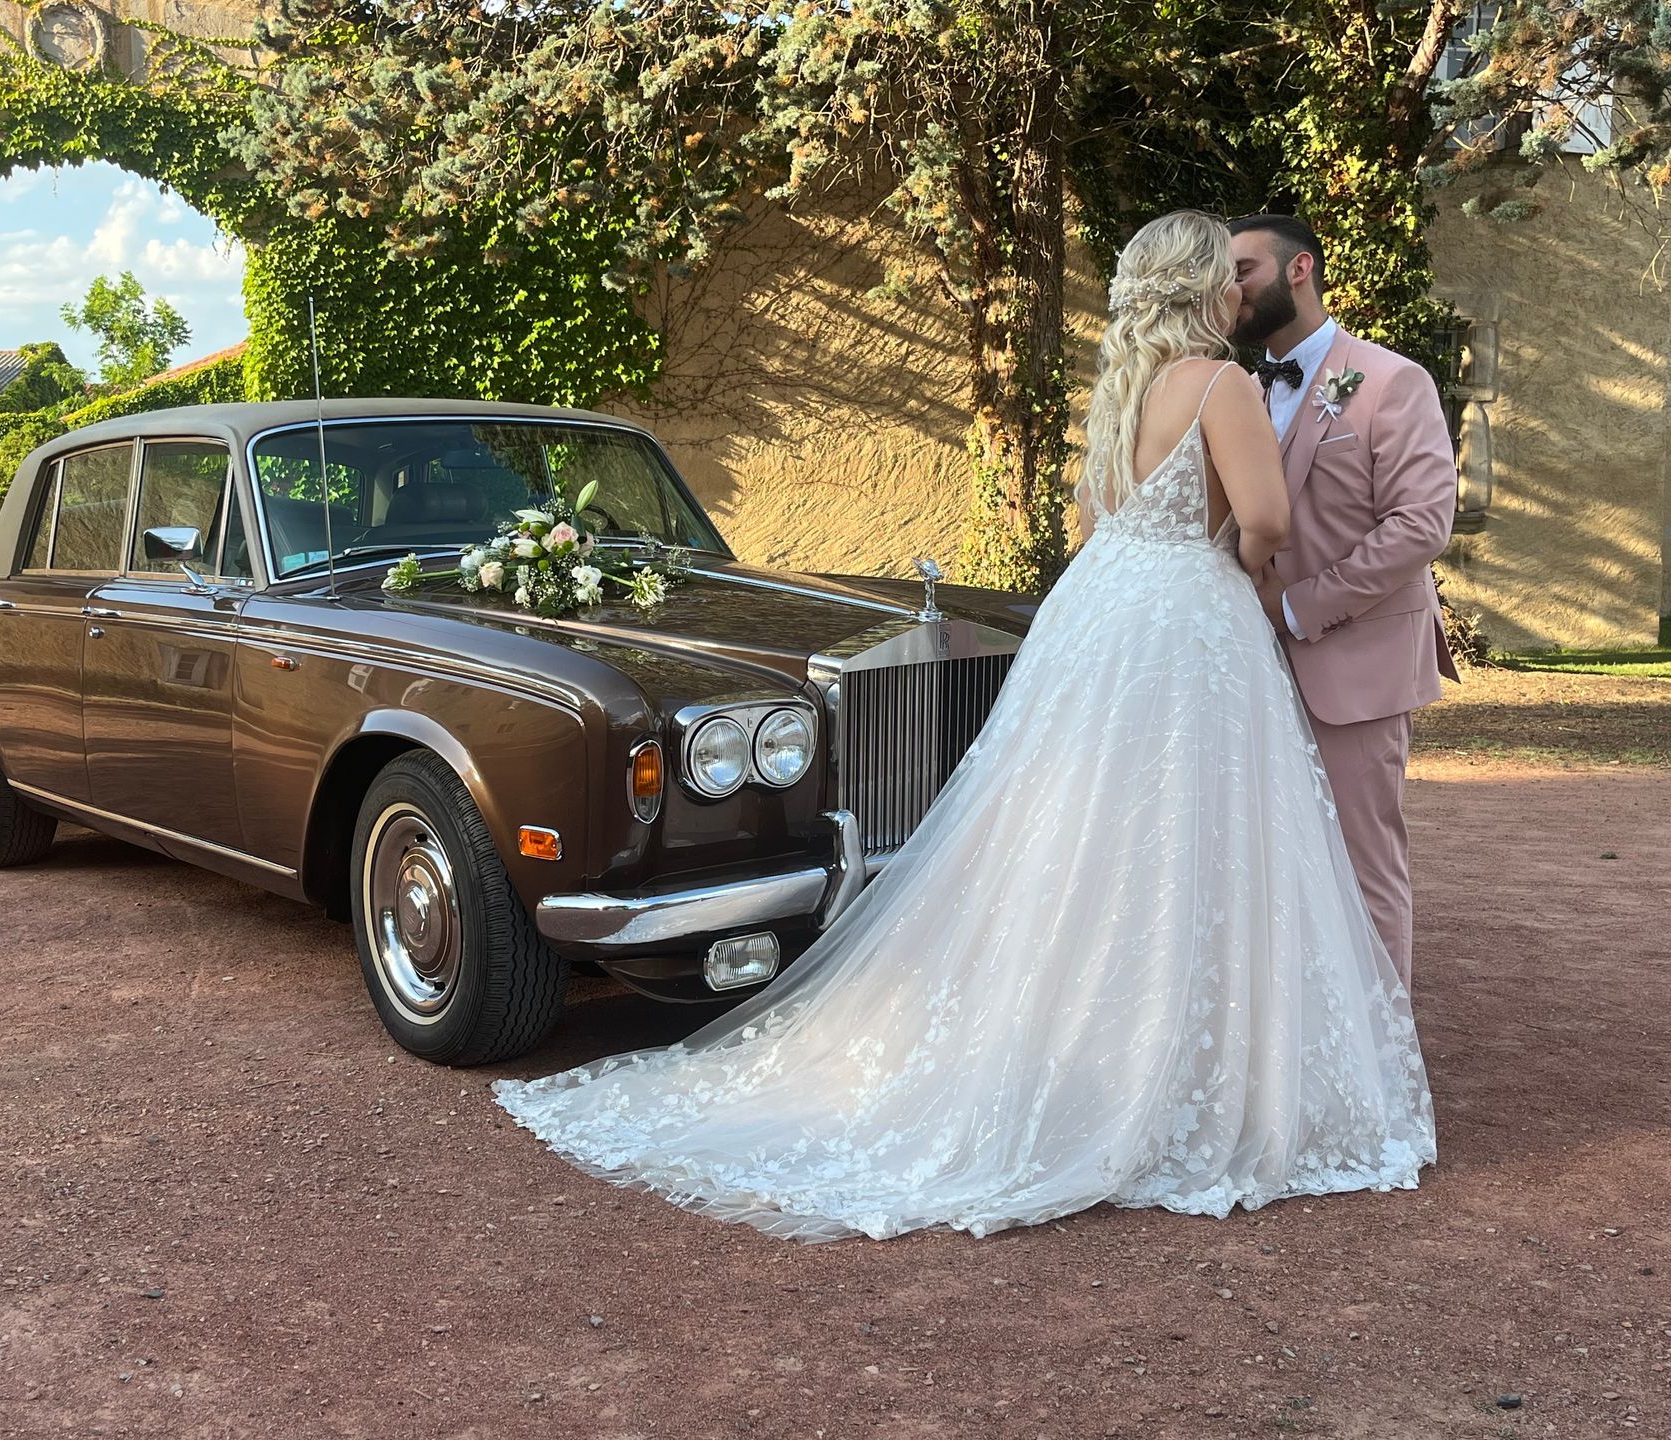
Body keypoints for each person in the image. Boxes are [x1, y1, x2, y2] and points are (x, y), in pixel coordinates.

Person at [490, 211, 1435, 1243]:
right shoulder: (1222, 385)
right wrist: (1242, 572)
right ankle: (1194, 1071)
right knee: (1193, 841)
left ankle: (1092, 1053)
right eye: (1228, 274)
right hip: (1189, 622)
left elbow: (1098, 522)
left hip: (1108, 610)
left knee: (1093, 841)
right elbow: (1267, 522)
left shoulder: (1119, 393)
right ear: (1205, 287)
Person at [1228, 215, 1460, 989]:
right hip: (1249, 666)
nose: (1231, 288)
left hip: (1354, 667)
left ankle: (1386, 1063)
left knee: (1363, 869)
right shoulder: (1239, 391)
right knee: (1267, 861)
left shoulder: (1392, 381)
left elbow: (1420, 526)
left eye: (1244, 269)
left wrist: (1297, 610)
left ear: (1300, 271)